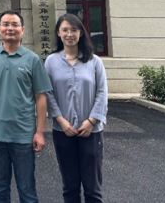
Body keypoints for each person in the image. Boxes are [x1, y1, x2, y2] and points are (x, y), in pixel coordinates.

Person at [0, 9, 53, 203]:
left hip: (23, 135)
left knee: (27, 190)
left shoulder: (33, 59)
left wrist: (40, 132)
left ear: (22, 29)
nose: (10, 28)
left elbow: (41, 97)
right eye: (6, 24)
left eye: (14, 24)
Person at [45, 13, 108, 203]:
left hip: (91, 132)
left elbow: (102, 92)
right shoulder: (51, 61)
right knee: (70, 187)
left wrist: (91, 121)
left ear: (81, 33)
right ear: (58, 33)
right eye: (65, 30)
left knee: (93, 189)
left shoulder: (94, 61)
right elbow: (48, 93)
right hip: (63, 131)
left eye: (73, 30)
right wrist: (61, 121)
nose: (69, 34)